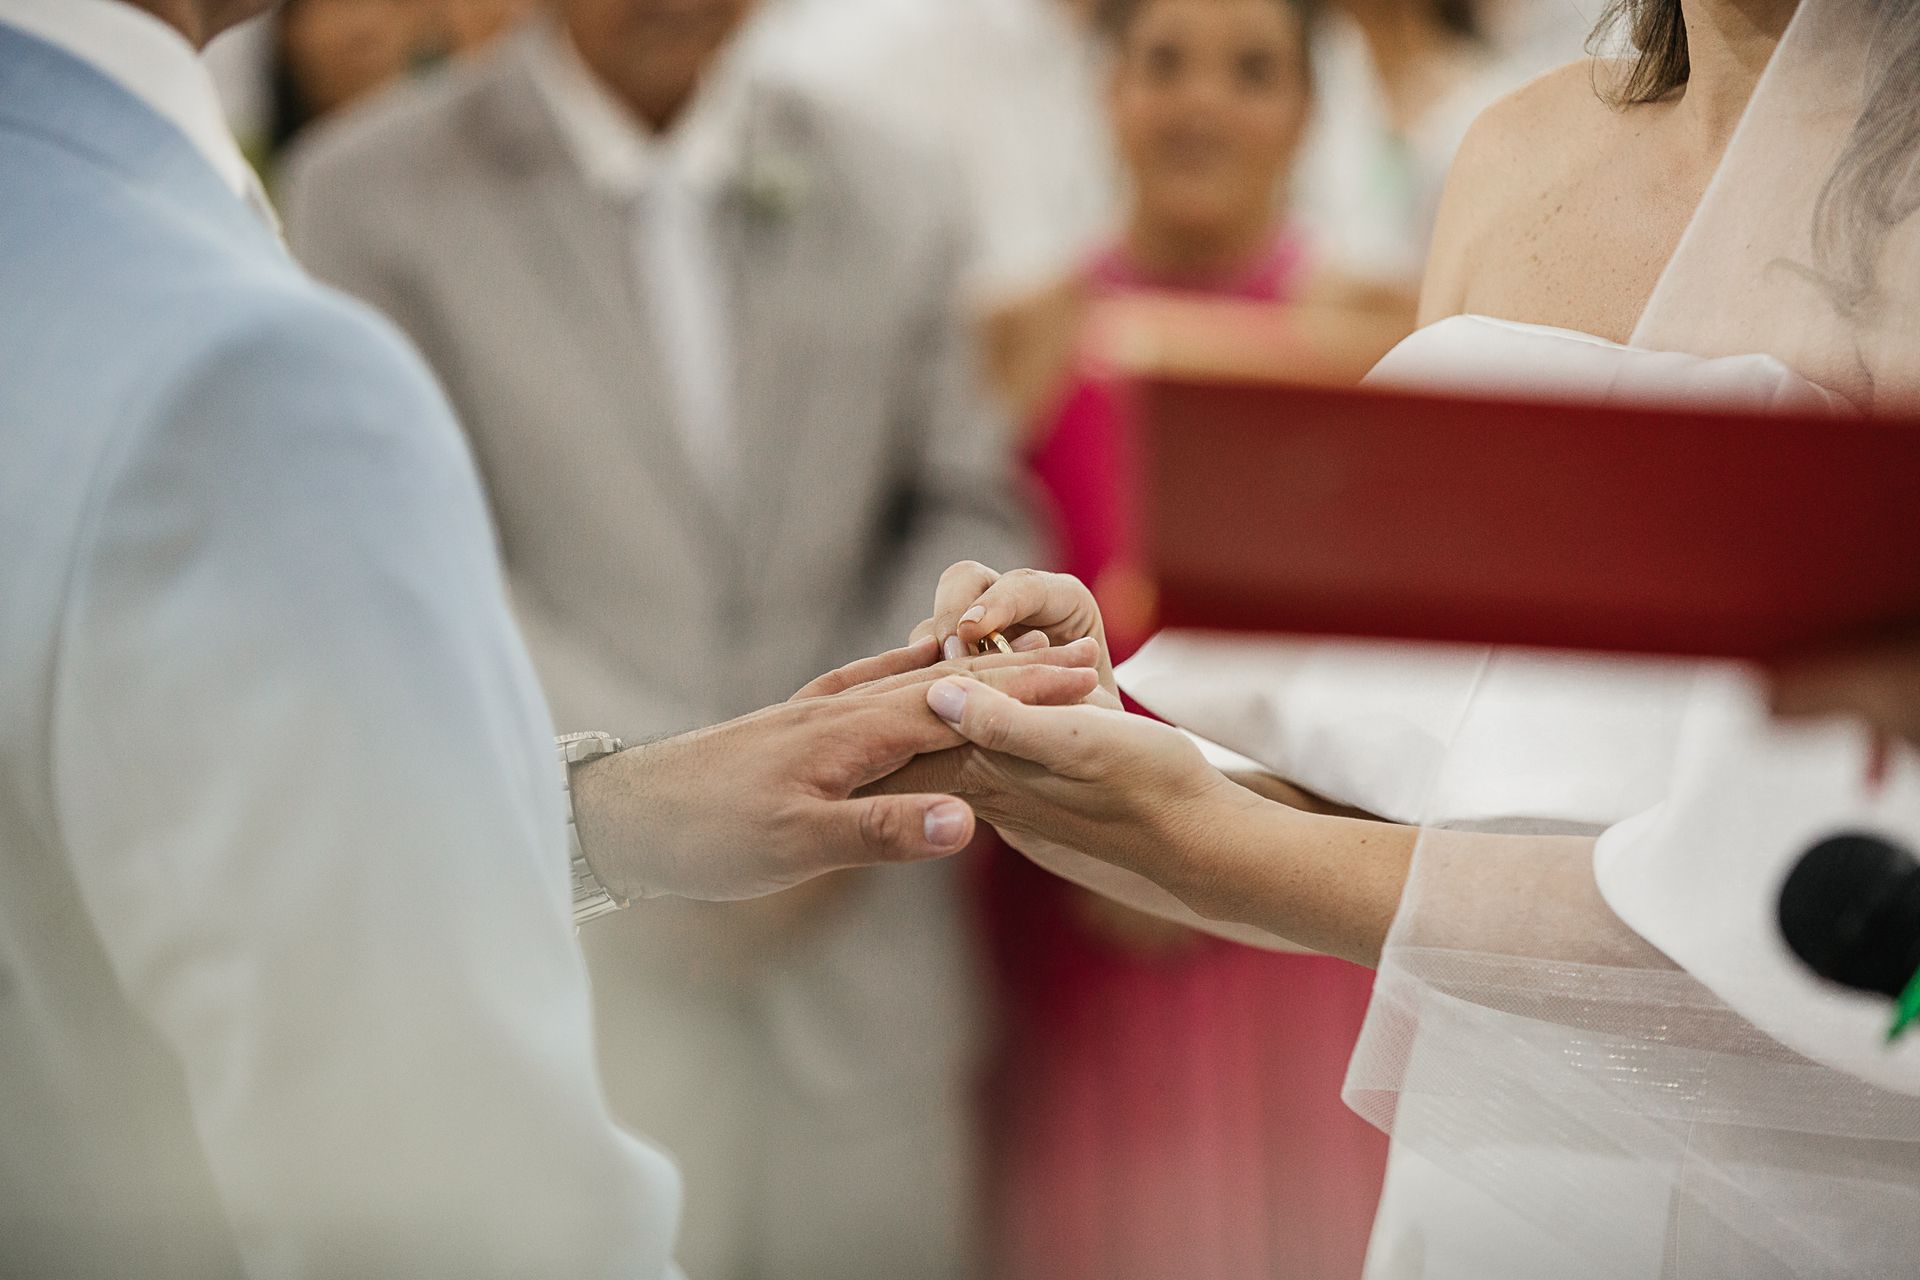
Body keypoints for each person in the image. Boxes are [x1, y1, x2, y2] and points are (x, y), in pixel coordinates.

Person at [0, 0, 1097, 1274]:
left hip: (856, 995)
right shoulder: (319, 255)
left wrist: (634, 801)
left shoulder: (895, 174)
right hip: (596, 1011)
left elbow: (957, 485)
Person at [884, 0, 1920, 1272]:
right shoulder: (1515, 158)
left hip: (1818, 1196)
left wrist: (1212, 845)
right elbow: (1410, 784)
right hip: (1484, 1180)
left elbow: (1798, 905)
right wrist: (1099, 738)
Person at [278, 3, 1033, 1275]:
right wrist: (677, 794)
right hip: (570, 979)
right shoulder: (370, 193)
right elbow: (381, 555)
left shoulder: (898, 179)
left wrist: (866, 743)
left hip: (861, 969)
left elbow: (966, 498)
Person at [973, 2, 1389, 1276]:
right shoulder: (1012, 338)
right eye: (1164, 63)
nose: (1200, 101)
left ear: (1309, 110)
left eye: (1251, 70)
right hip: (1074, 887)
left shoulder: (1381, 329)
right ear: (1107, 90)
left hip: (1301, 863)